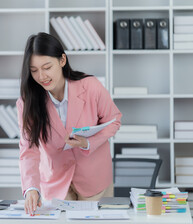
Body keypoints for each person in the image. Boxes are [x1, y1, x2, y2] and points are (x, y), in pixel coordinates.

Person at [16, 32, 122, 215]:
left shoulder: (91, 87)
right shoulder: (27, 102)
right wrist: (31, 188)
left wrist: (87, 142)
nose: (41, 76)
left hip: (94, 180)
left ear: (62, 60)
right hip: (55, 183)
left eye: (47, 67)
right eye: (34, 70)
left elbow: (114, 120)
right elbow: (28, 150)